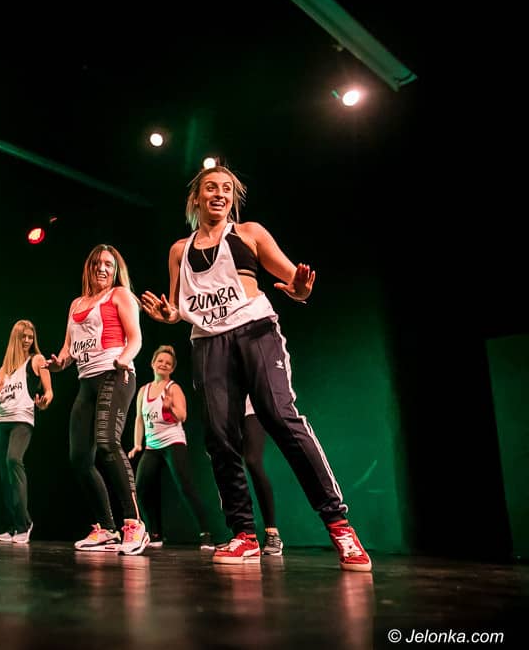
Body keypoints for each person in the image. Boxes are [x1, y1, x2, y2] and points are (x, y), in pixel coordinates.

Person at [140, 165, 372, 571]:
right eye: (211, 188)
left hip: (255, 331)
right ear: (196, 198)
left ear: (233, 198)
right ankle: (244, 535)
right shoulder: (180, 249)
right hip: (207, 341)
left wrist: (300, 289)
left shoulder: (250, 233)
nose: (219, 194)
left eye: (226, 189)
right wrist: (168, 314)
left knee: (280, 417)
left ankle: (339, 526)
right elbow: (177, 306)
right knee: (219, 437)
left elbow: (293, 280)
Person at [45, 244, 148, 555]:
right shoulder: (76, 303)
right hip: (86, 382)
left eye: (108, 264)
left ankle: (134, 523)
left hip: (115, 374)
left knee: (107, 443)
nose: (102, 268)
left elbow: (136, 338)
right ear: (88, 268)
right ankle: (106, 528)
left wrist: (124, 359)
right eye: (97, 264)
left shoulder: (119, 295)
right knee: (79, 458)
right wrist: (58, 363)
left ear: (115, 271)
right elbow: (68, 349)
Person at [127, 345, 214, 550]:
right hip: (152, 446)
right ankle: (155, 534)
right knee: (141, 488)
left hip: (173, 442)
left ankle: (206, 534)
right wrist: (137, 444)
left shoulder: (173, 388)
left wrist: (170, 407)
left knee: (186, 487)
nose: (163, 365)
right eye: (160, 361)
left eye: (168, 363)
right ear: (153, 364)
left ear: (172, 368)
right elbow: (139, 419)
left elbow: (182, 416)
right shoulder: (143, 391)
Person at [0, 320, 53, 544]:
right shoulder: (4, 368)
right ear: (15, 338)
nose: (27, 340)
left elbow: (49, 392)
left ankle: (25, 524)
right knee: (4, 474)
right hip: (1, 421)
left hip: (22, 420)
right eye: (23, 336)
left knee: (13, 460)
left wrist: (44, 402)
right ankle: (13, 526)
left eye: (30, 336)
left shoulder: (37, 360)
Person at [242, 395, 282, 555]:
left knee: (253, 461)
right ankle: (243, 535)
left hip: (252, 408)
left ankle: (272, 532)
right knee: (231, 465)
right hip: (228, 412)